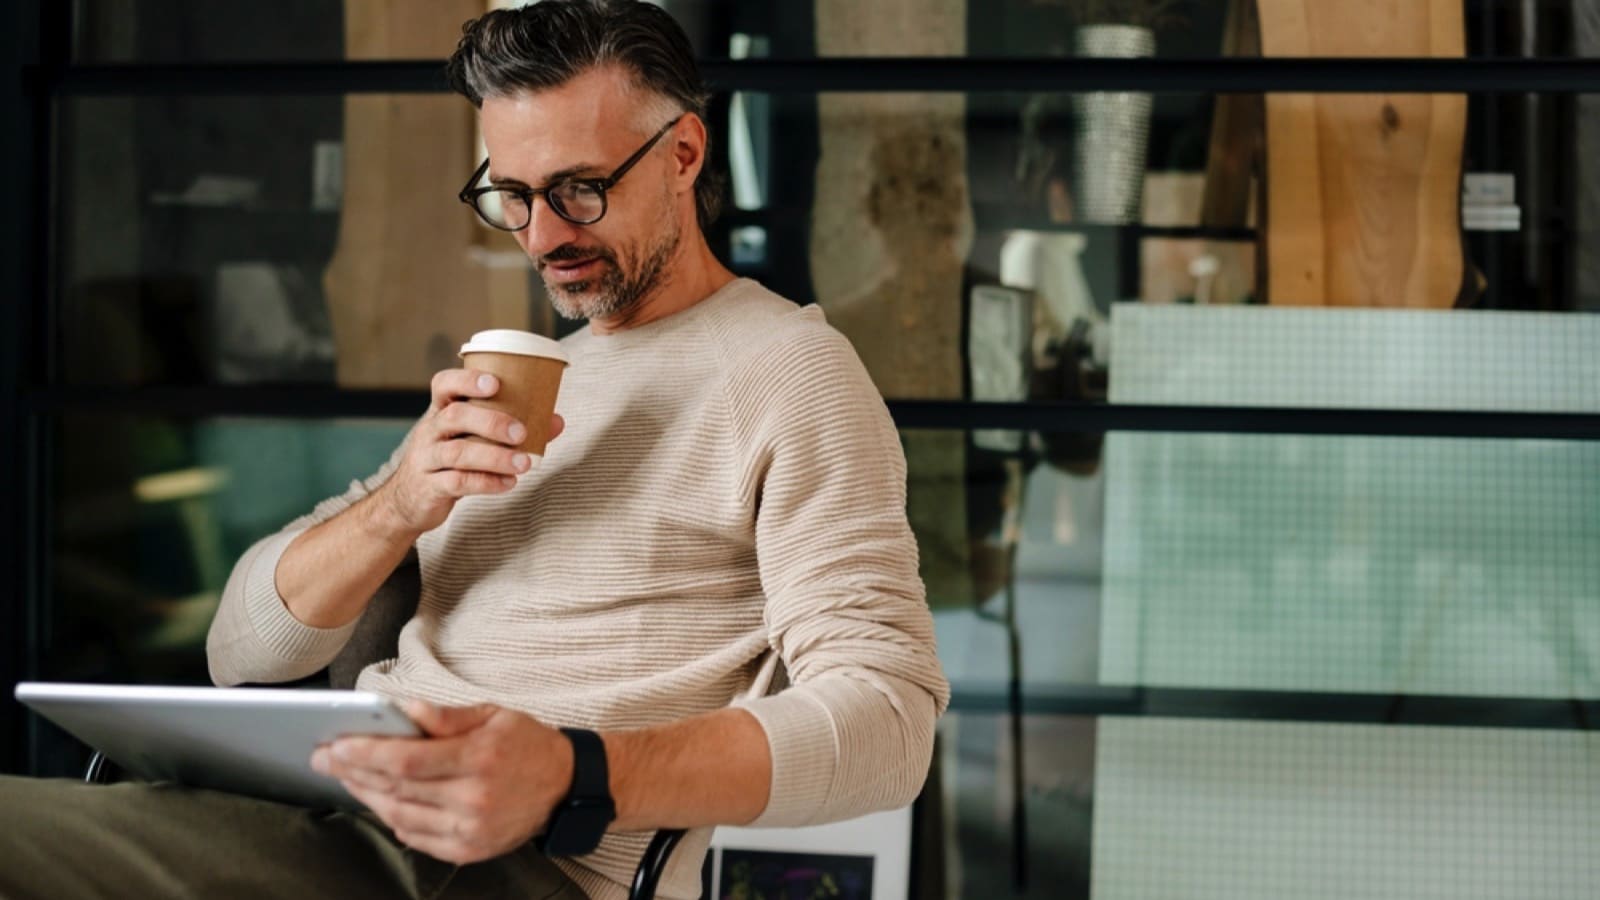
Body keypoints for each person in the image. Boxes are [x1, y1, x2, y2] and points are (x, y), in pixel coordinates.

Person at [0, 2, 949, 898]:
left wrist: (575, 772)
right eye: (511, 195)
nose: (542, 236)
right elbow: (239, 654)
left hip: (491, 865)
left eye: (581, 189)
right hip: (318, 816)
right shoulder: (528, 379)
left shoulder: (789, 371)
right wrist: (403, 502)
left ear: (685, 154)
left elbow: (890, 719)